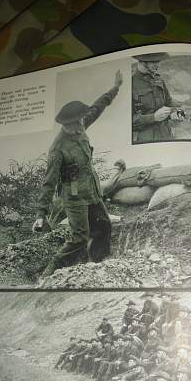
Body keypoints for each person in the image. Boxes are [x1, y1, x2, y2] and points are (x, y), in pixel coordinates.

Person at [33, 70, 123, 276]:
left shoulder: (81, 125)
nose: (83, 125)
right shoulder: (58, 149)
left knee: (104, 226)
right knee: (79, 238)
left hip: (91, 192)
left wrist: (115, 88)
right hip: (74, 199)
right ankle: (49, 274)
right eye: (77, 124)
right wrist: (41, 214)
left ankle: (99, 264)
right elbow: (48, 182)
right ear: (67, 125)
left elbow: (99, 106)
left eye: (83, 121)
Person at [132, 52, 184, 143]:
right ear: (142, 61)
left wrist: (176, 111)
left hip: (166, 134)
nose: (157, 65)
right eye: (153, 62)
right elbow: (128, 121)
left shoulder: (158, 79)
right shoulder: (131, 83)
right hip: (146, 138)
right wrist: (153, 117)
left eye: (158, 61)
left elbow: (168, 102)